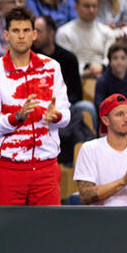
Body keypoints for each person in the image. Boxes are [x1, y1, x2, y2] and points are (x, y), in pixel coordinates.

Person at [0, 6, 71, 205]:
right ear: (6, 35)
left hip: (46, 168)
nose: (21, 36)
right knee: (4, 234)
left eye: (26, 31)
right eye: (16, 31)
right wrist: (16, 117)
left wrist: (57, 116)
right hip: (8, 168)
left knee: (47, 233)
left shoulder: (52, 67)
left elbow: (66, 114)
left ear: (34, 34)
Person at [32, 14, 94, 165]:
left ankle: (88, 154)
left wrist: (60, 104)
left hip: (64, 104)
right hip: (35, 105)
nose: (35, 36)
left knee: (86, 107)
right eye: (33, 31)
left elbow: (76, 93)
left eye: (39, 31)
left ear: (51, 33)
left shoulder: (68, 58)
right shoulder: (28, 56)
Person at [55, 0, 116, 79]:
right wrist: (83, 72)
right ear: (76, 7)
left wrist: (102, 67)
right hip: (73, 79)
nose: (91, 10)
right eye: (87, 6)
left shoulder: (107, 32)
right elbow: (65, 63)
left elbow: (110, 59)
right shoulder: (64, 32)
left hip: (103, 76)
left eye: (94, 6)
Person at [95, 42, 127, 113]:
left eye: (123, 58)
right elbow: (99, 103)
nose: (119, 62)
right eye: (115, 58)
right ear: (110, 62)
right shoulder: (102, 81)